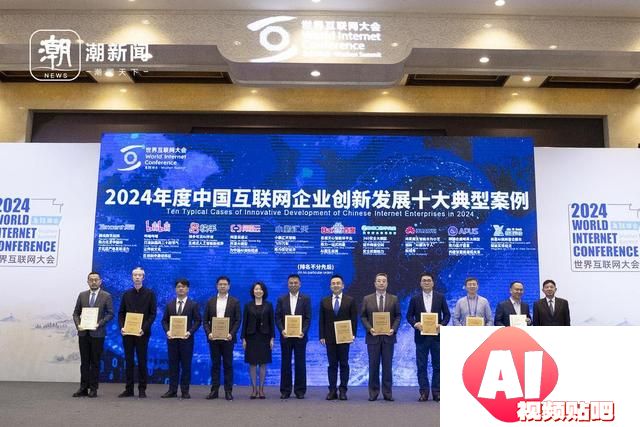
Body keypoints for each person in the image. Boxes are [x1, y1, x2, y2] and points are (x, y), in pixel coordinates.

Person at [406, 272, 450, 402]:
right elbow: (409, 316)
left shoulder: (440, 297)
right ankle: (424, 392)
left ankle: (437, 392)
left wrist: (442, 325)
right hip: (421, 337)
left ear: (433, 283)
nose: (426, 282)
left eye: (429, 280)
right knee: (421, 365)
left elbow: (447, 315)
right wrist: (415, 324)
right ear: (420, 283)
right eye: (424, 280)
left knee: (438, 365)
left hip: (437, 337)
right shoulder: (415, 299)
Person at [72, 271, 114, 398]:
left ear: (100, 281)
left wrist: (99, 323)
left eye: (96, 280)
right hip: (83, 333)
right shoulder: (82, 295)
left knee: (95, 362)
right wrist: (78, 324)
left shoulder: (106, 296)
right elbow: (75, 313)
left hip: (98, 333)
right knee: (84, 362)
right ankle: (83, 388)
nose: (94, 282)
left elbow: (110, 314)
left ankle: (93, 388)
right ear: (88, 281)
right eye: (91, 280)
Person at [360, 273, 401, 401]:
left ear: (387, 283)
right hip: (373, 337)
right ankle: (373, 393)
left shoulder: (394, 299)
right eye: (379, 281)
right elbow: (363, 316)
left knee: (387, 367)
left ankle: (387, 393)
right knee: (373, 366)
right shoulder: (367, 299)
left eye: (384, 281)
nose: (381, 283)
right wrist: (369, 328)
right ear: (375, 283)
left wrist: (393, 329)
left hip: (388, 337)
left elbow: (398, 316)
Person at [118, 267, 157, 398]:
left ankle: (142, 389)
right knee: (128, 361)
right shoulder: (126, 294)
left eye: (140, 275)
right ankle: (129, 389)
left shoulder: (150, 294)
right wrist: (122, 327)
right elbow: (121, 313)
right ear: (132, 277)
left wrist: (143, 328)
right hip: (128, 332)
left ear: (143, 278)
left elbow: (152, 314)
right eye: (135, 275)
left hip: (142, 333)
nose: (137, 277)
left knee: (142, 360)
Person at [319, 274, 358, 401]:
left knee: (344, 364)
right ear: (330, 286)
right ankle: (332, 390)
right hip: (329, 338)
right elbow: (321, 320)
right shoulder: (324, 301)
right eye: (333, 283)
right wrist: (322, 336)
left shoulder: (350, 300)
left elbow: (354, 319)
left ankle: (343, 390)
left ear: (343, 286)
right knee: (332, 365)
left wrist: (353, 334)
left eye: (338, 283)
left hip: (344, 337)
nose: (336, 285)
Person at [160, 278, 201, 399]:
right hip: (172, 340)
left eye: (183, 286)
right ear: (175, 289)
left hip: (186, 340)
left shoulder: (193, 304)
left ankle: (185, 391)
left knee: (186, 366)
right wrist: (167, 331)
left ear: (188, 289)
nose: (181, 288)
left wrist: (190, 332)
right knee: (173, 366)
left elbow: (198, 321)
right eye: (178, 286)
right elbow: (164, 321)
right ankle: (172, 390)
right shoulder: (169, 304)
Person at [203, 276, 241, 401]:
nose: (222, 286)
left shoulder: (235, 302)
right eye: (220, 284)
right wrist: (209, 333)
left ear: (229, 286)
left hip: (228, 339)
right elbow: (205, 321)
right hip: (213, 339)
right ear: (216, 286)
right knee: (215, 365)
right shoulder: (210, 301)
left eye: (225, 284)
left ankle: (228, 391)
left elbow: (238, 320)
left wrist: (232, 334)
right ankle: (214, 391)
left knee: (228, 365)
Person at [275, 274, 311, 399]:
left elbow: (308, 318)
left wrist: (303, 331)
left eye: (296, 283)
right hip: (286, 337)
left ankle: (300, 390)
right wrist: (282, 330)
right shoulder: (281, 299)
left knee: (300, 363)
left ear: (300, 284)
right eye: (291, 283)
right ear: (287, 284)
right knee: (285, 363)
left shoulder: (305, 299)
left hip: (300, 337)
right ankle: (285, 390)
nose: (293, 285)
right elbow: (277, 317)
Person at [241, 281, 275, 399]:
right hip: (251, 337)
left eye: (260, 289)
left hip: (265, 337)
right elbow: (244, 323)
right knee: (252, 363)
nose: (258, 291)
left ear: (264, 291)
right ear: (253, 291)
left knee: (263, 363)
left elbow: (272, 322)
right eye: (256, 289)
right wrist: (243, 338)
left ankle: (261, 389)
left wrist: (272, 338)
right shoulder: (247, 305)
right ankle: (254, 389)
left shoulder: (269, 305)